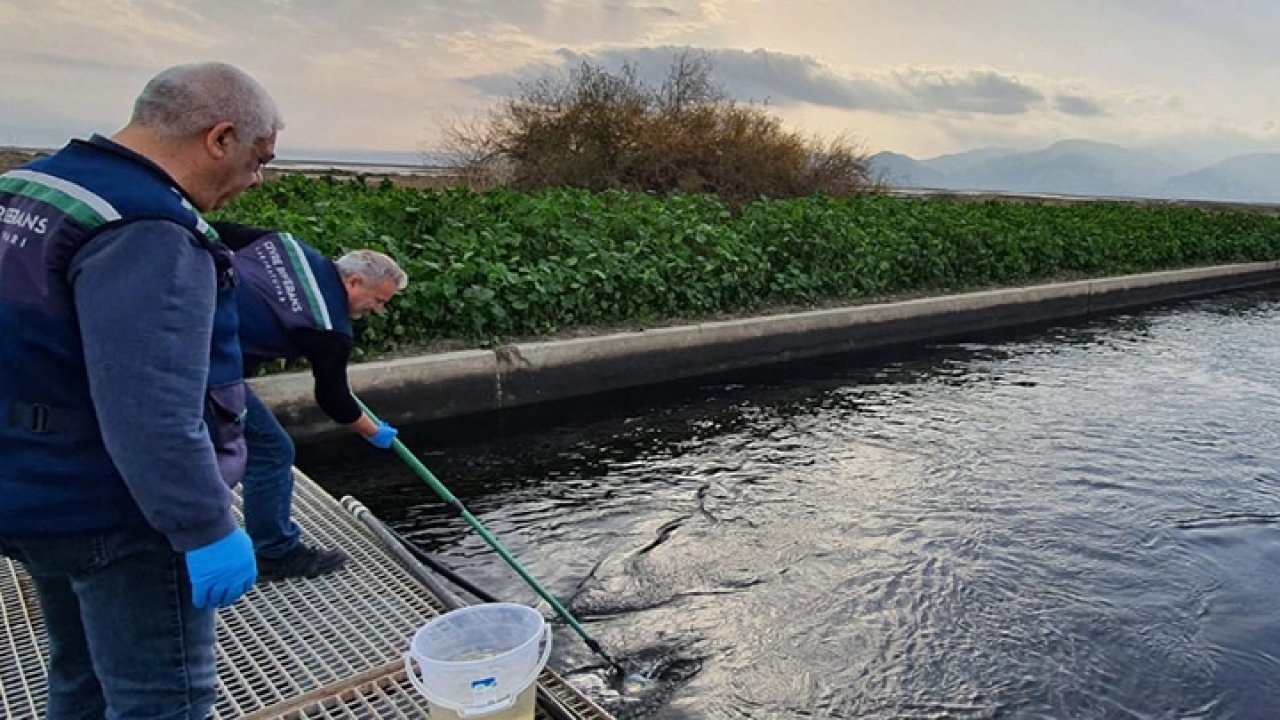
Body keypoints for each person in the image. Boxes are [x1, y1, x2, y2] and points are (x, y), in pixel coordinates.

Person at [0, 63, 281, 719]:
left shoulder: (28, 189)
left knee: (80, 679)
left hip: (34, 492)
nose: (257, 180)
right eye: (257, 159)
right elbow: (151, 410)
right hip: (118, 515)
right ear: (220, 139)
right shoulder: (147, 228)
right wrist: (204, 526)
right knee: (163, 700)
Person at [210, 221, 407, 581]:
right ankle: (276, 553)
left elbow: (211, 230)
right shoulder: (329, 327)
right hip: (201, 362)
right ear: (353, 282)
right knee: (272, 452)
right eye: (378, 300)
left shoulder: (287, 246)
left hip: (181, 323)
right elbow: (333, 399)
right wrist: (374, 432)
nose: (377, 310)